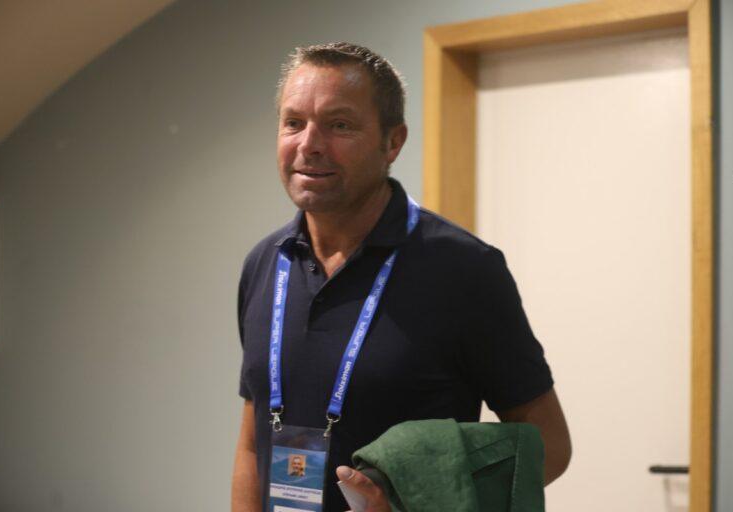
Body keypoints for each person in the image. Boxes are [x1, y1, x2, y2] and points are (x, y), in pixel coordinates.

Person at [231, 42, 571, 512]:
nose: (309, 144)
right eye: (294, 122)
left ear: (393, 142)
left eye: (339, 124)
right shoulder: (266, 264)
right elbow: (253, 444)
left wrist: (420, 504)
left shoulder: (465, 269)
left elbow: (549, 443)